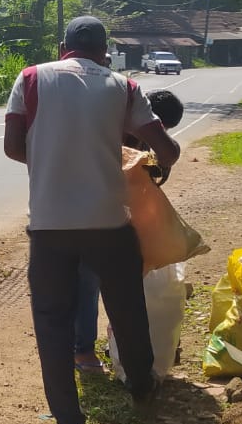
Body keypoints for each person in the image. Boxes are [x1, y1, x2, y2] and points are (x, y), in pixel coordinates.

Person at [5, 16, 181, 424]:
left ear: (63, 45)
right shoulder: (124, 86)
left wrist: (49, 161)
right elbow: (167, 149)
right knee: (127, 309)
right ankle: (142, 389)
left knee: (52, 324)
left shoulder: (31, 78)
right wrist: (151, 170)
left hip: (50, 227)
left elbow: (11, 146)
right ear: (104, 51)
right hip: (109, 224)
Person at [73, 89, 185, 373]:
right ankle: (84, 352)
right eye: (163, 128)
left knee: (117, 280)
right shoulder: (117, 124)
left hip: (106, 212)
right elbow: (156, 157)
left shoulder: (133, 131)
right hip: (87, 210)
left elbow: (149, 166)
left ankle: (119, 342)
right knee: (88, 280)